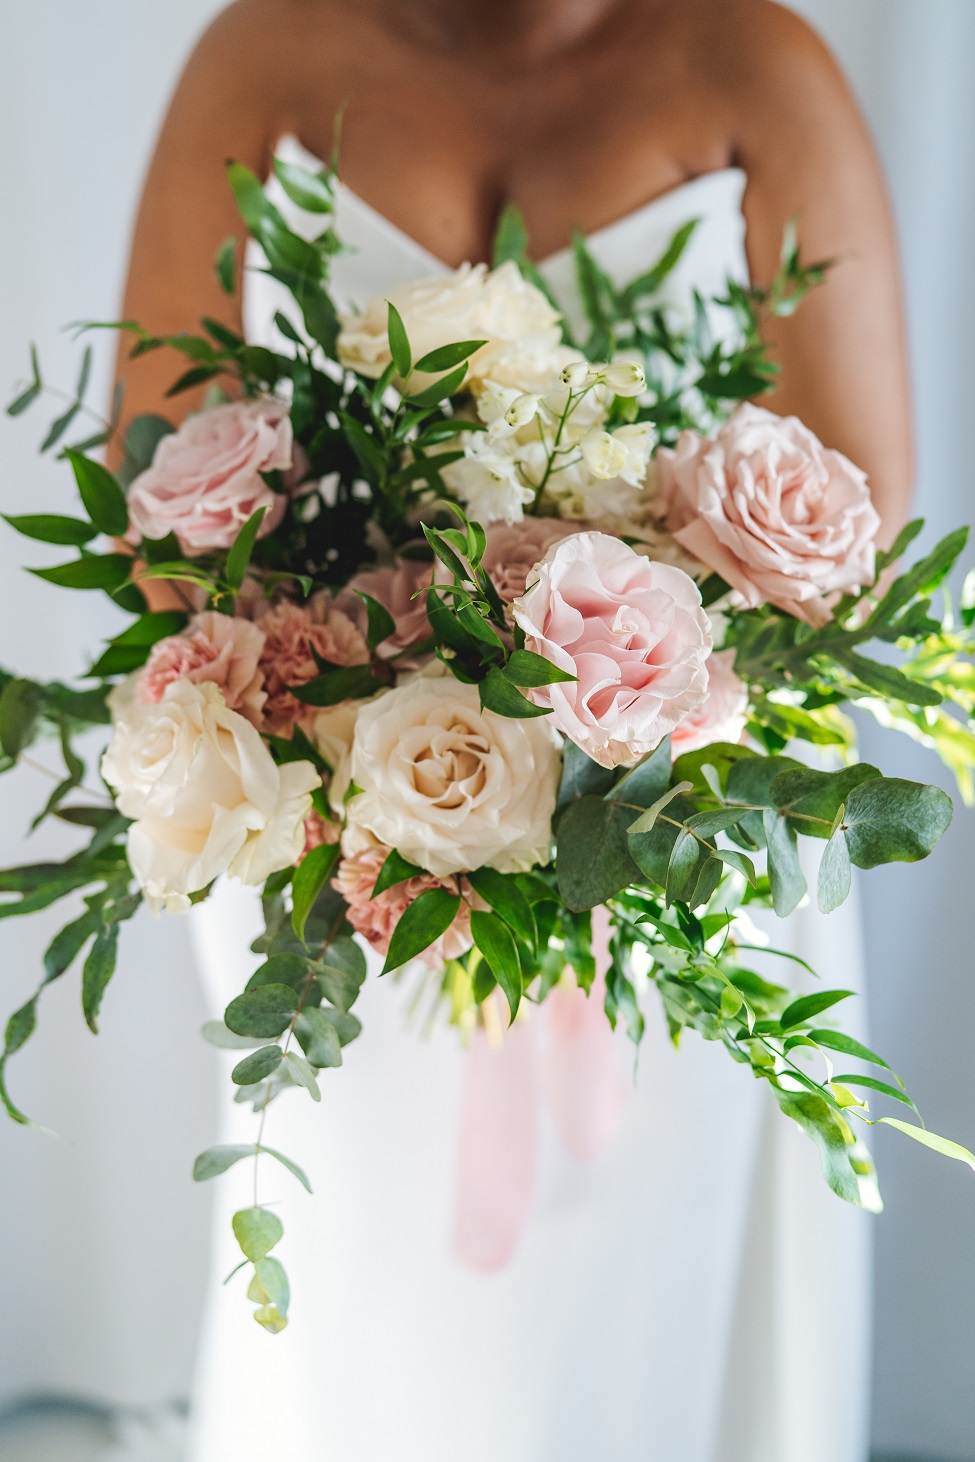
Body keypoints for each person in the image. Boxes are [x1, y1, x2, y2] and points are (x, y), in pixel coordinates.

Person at [114, 4, 911, 1459]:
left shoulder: (756, 61)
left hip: (671, 843)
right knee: (359, 1307)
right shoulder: (259, 55)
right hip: (342, 852)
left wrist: (599, 716)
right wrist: (382, 710)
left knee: (644, 1327)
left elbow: (847, 542)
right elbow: (163, 491)